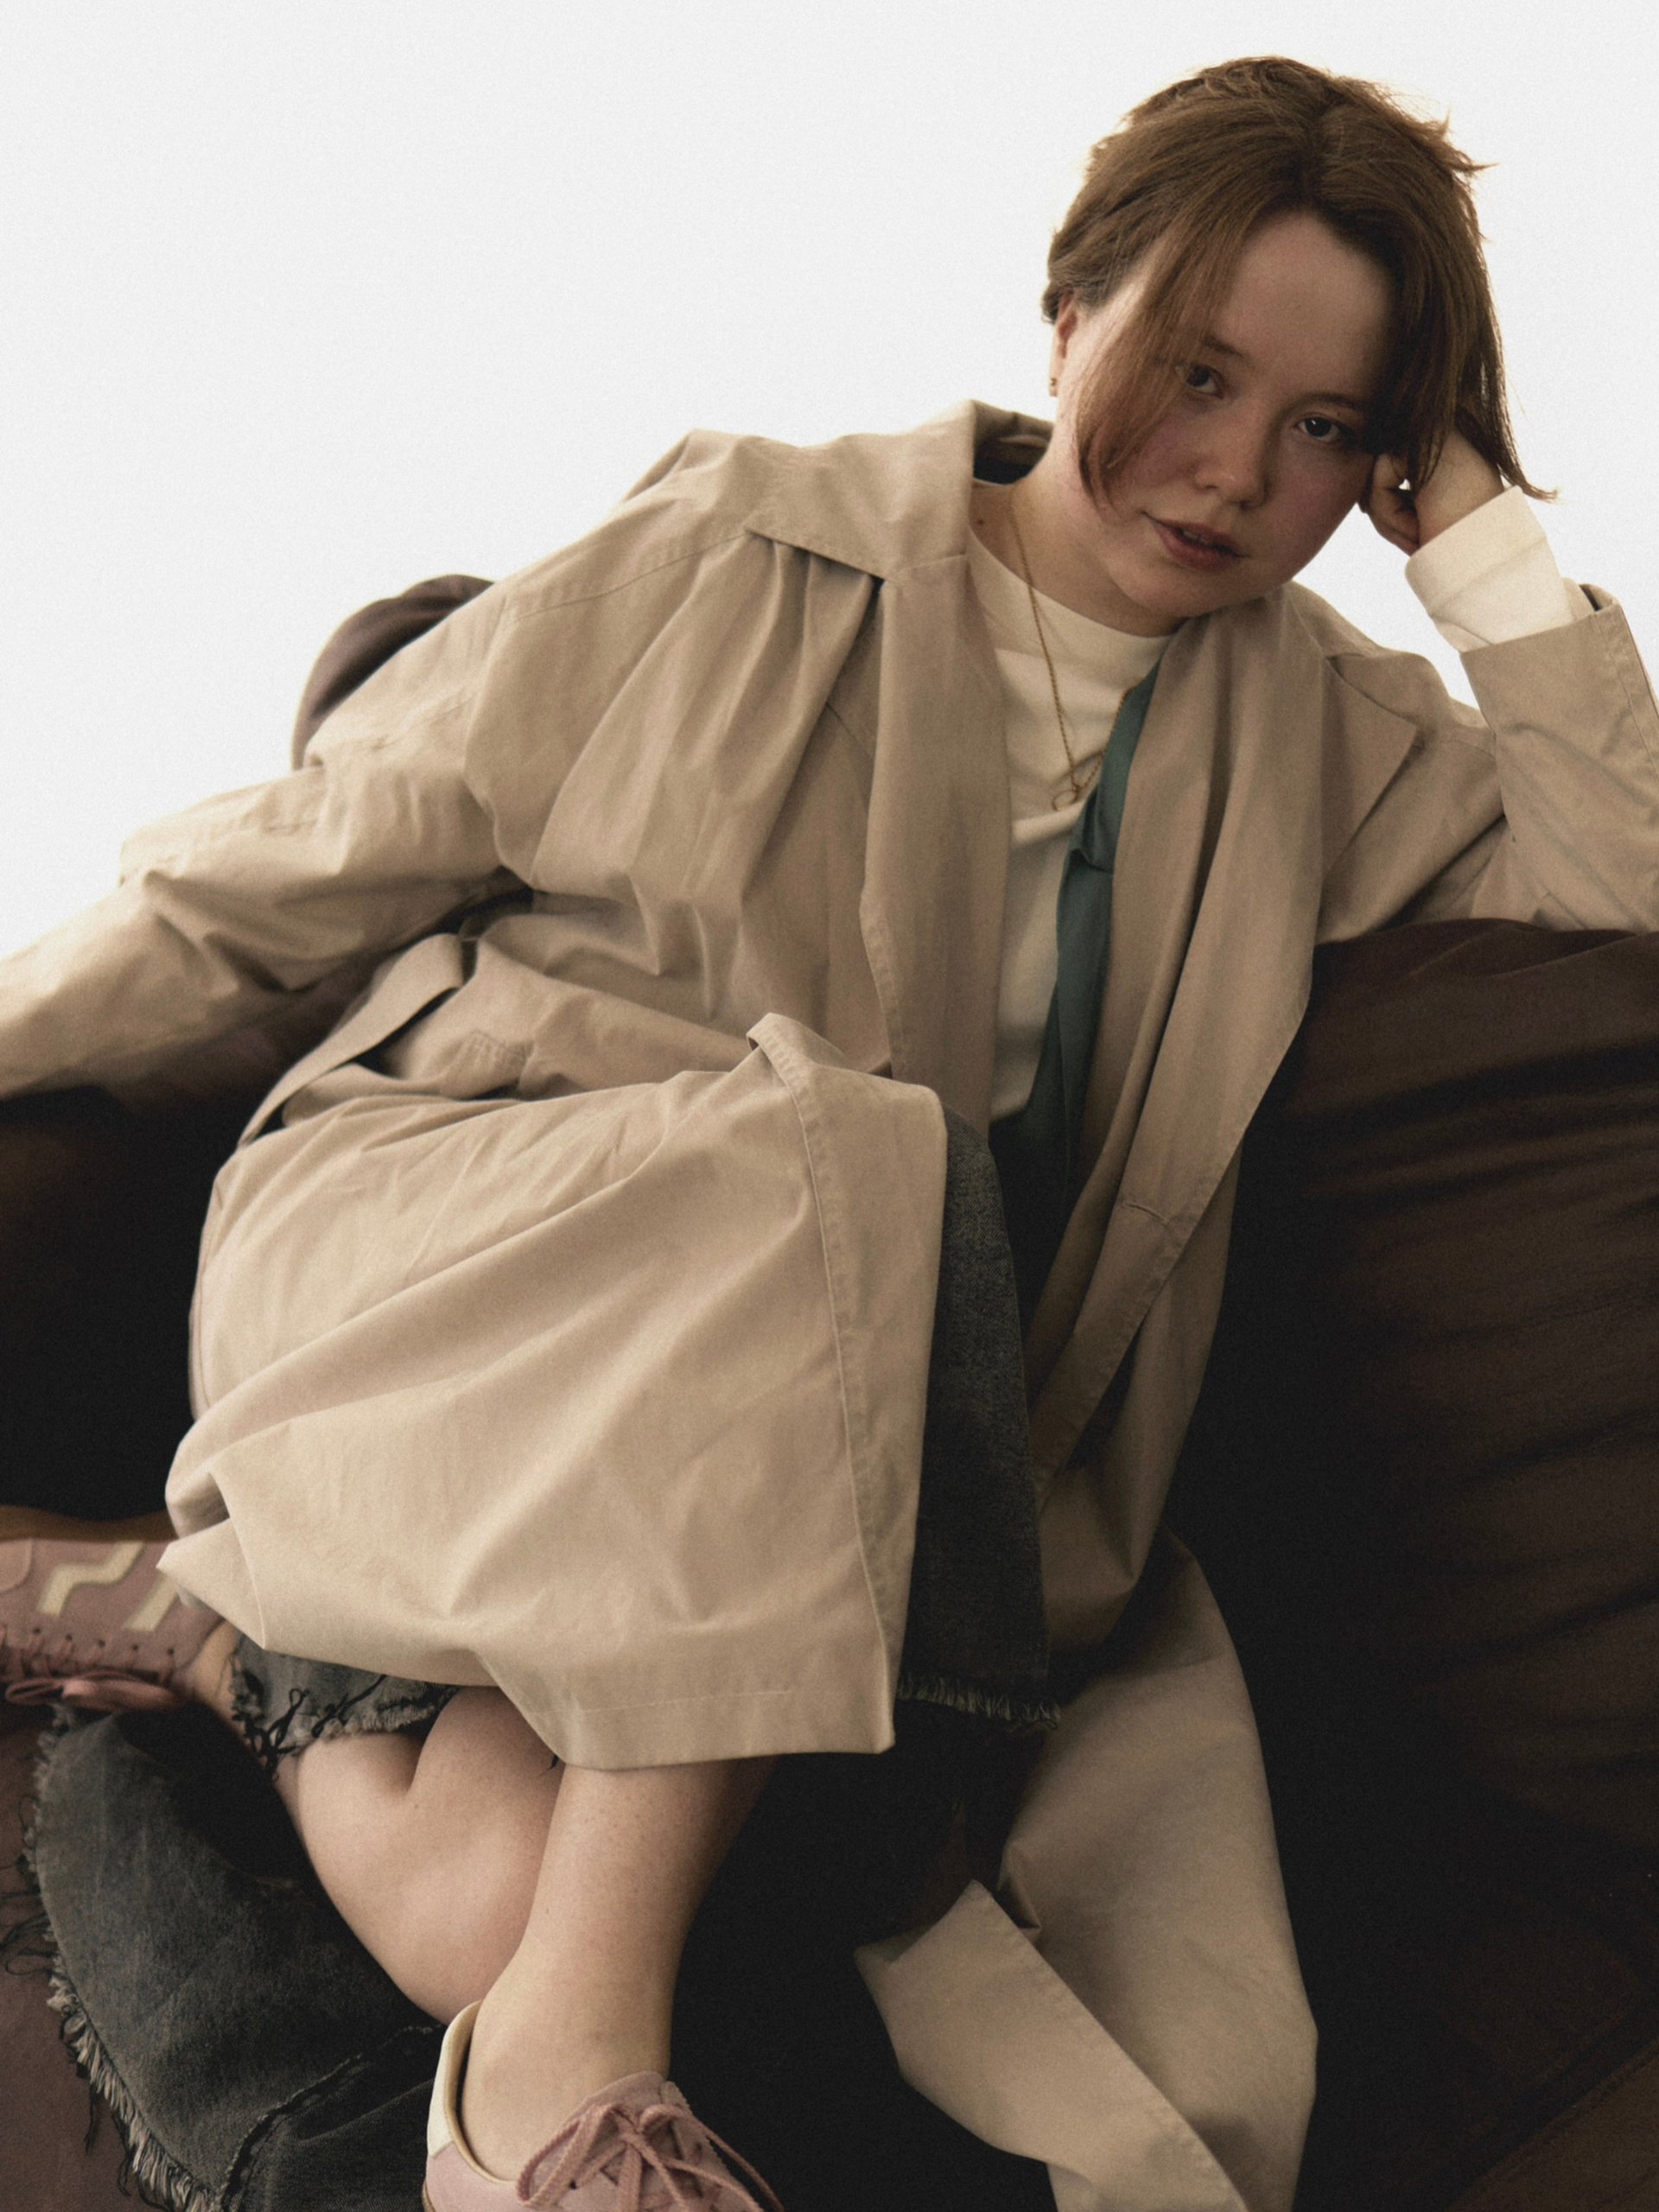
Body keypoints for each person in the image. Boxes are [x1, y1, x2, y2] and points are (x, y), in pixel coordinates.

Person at [3, 51, 1656, 2212]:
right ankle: (560, 2087)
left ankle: (223, 1651)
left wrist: (1492, 546)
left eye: (1333, 426)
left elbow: (1618, 892)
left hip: (839, 1448)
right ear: (1069, 312)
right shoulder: (735, 541)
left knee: (506, 1899)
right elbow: (296, 865)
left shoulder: (1335, 737)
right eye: (1197, 370)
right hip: (453, 1265)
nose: (1238, 470)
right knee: (859, 1147)